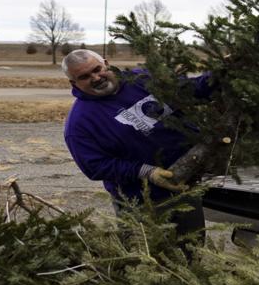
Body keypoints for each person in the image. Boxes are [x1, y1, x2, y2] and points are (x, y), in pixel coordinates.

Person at [61, 48, 215, 235]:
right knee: (146, 257)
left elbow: (190, 90)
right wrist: (147, 172)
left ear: (106, 63)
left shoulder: (143, 79)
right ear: (73, 83)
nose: (96, 78)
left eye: (97, 69)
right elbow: (95, 166)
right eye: (84, 77)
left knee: (193, 249)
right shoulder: (80, 123)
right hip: (140, 203)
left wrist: (221, 73)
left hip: (184, 188)